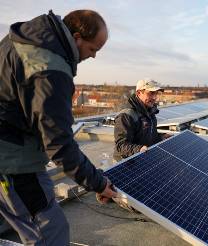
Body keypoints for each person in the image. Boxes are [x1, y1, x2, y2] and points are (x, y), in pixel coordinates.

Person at [0, 10, 117, 245]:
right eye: (93, 49)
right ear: (76, 38)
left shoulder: (20, 40)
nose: (93, 57)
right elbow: (59, 144)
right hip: (15, 163)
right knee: (51, 232)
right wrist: (99, 183)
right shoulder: (51, 69)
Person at [113, 79, 171, 162]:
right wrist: (139, 149)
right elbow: (121, 145)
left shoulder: (150, 112)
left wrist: (161, 137)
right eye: (150, 93)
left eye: (156, 93)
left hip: (142, 159)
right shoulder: (126, 115)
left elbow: (149, 136)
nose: (154, 97)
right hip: (125, 164)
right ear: (139, 93)